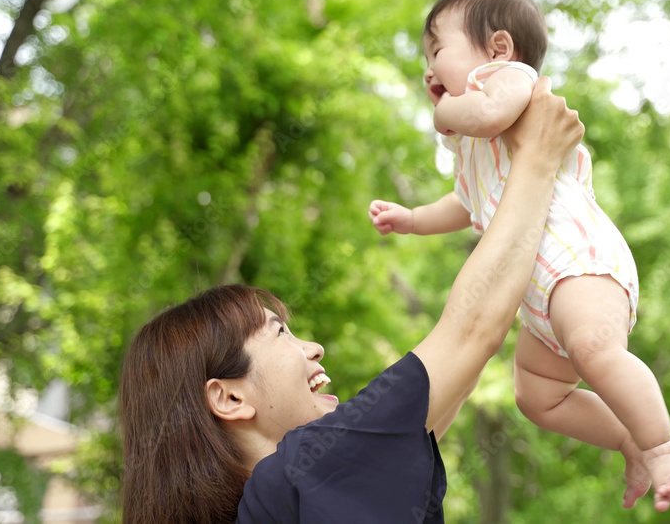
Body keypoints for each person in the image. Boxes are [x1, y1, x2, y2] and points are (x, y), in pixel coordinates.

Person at [119, 77, 584, 523]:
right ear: (229, 396)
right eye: (279, 332)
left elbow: (449, 384)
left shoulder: (286, 501)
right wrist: (538, 157)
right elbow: (469, 333)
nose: (313, 347)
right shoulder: (299, 472)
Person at [367, 0, 670, 512]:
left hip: (578, 261)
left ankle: (661, 445)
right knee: (537, 397)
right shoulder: (473, 154)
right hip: (536, 297)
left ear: (496, 48)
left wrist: (444, 112)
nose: (429, 68)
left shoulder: (511, 80)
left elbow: (489, 113)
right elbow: (464, 204)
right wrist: (413, 220)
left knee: (594, 350)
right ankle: (628, 438)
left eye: (438, 48)